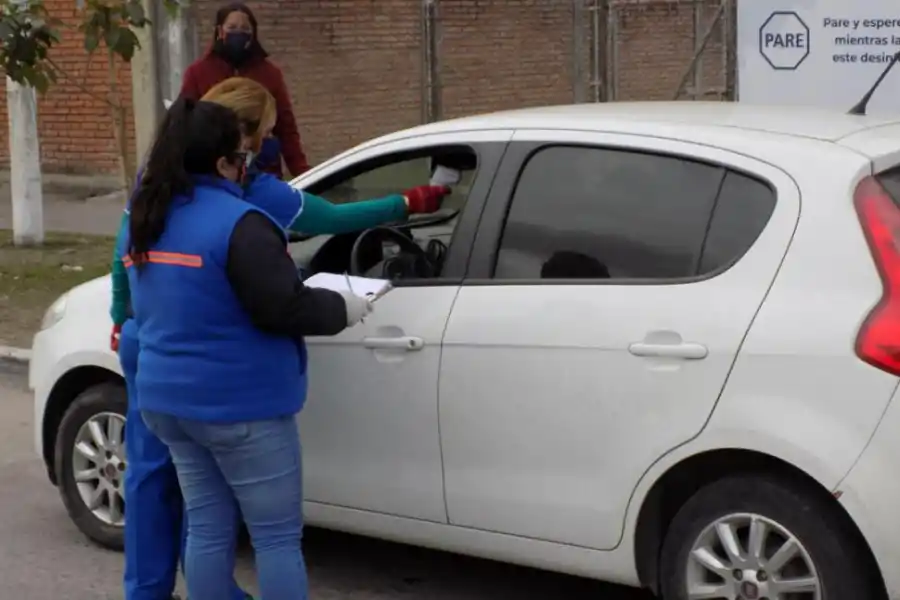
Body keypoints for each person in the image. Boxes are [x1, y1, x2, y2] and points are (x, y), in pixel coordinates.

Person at [109, 77, 450, 600]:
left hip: (166, 397)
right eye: (253, 145)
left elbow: (127, 288)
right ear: (228, 157)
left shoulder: (147, 212)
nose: (256, 156)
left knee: (203, 525)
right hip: (239, 405)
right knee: (275, 538)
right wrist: (346, 305)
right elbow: (284, 304)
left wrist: (120, 321)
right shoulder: (243, 220)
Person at [200, 76, 453, 234]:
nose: (269, 142)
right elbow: (332, 217)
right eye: (266, 134)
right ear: (243, 133)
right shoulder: (254, 190)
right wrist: (408, 202)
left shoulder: (175, 183)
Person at [180, 2, 307, 177]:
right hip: (217, 173)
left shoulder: (270, 74)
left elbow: (287, 128)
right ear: (220, 31)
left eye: (245, 28)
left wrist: (302, 173)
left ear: (253, 34)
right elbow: (183, 120)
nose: (238, 33)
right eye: (232, 27)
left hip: (263, 172)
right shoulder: (198, 72)